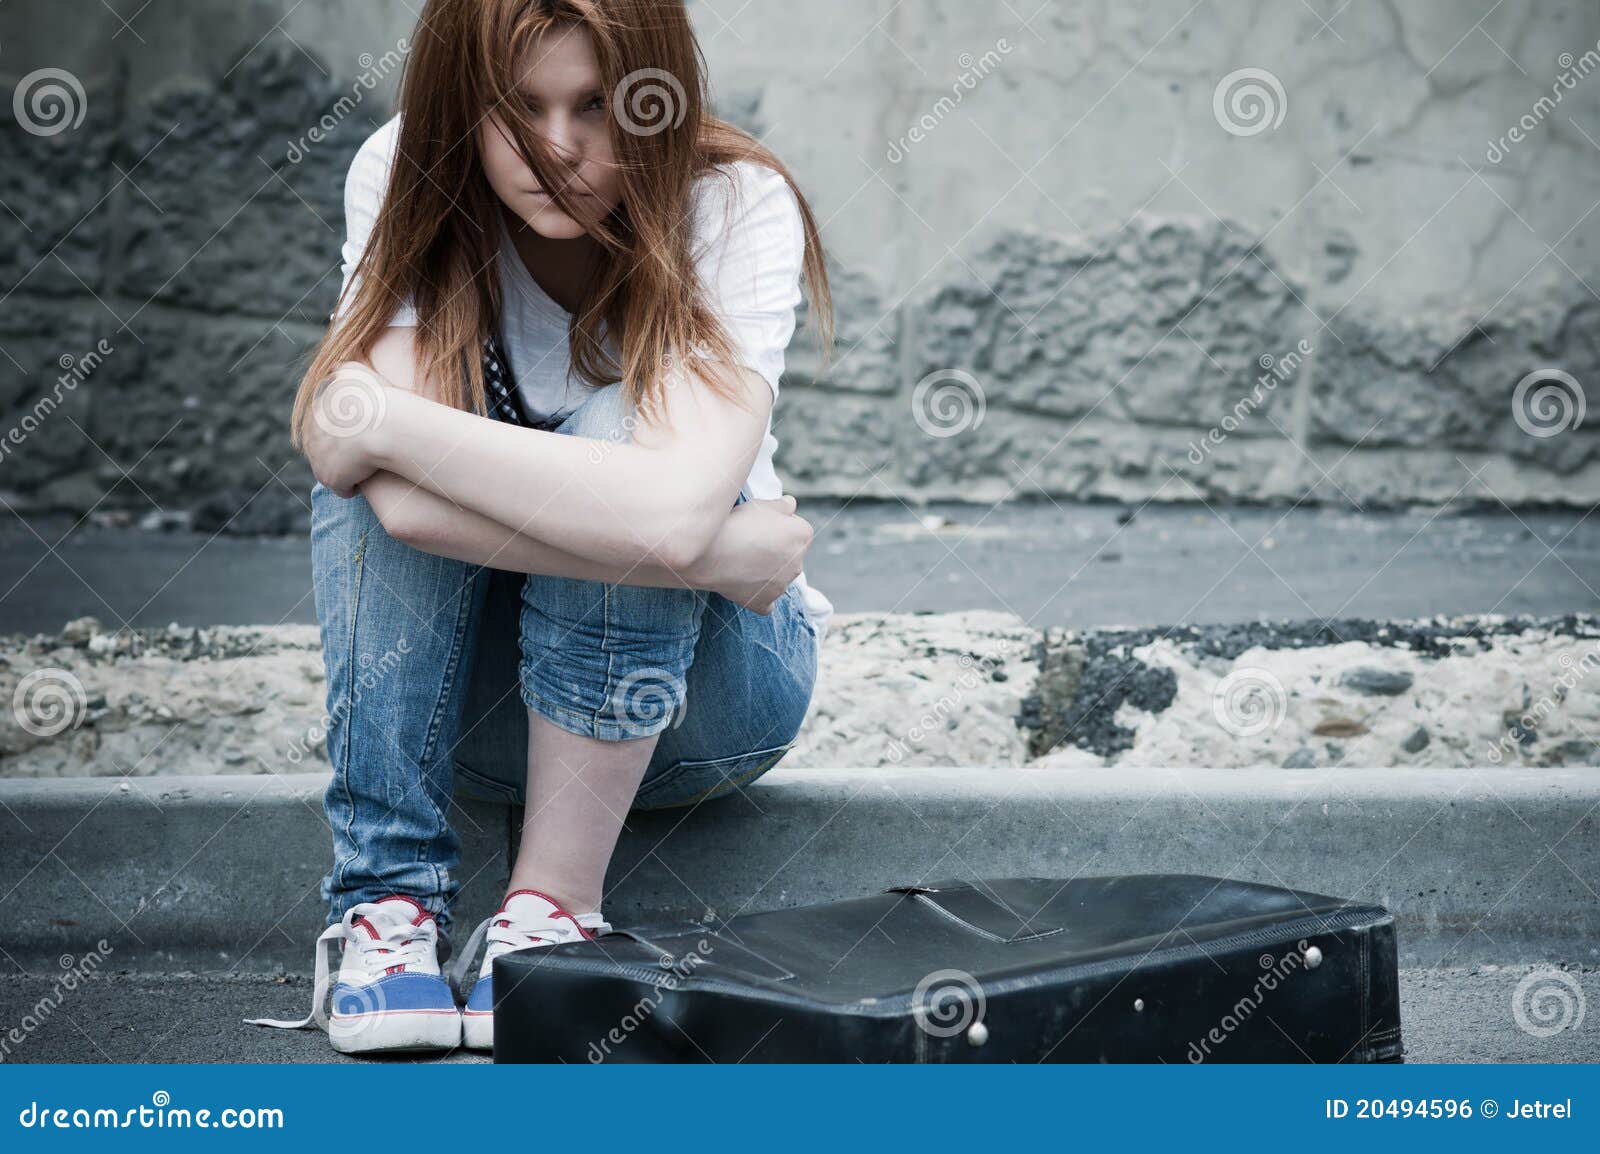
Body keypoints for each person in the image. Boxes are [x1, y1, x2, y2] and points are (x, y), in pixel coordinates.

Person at [244, 0, 833, 1055]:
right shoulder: (404, 171)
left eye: (597, 106)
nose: (557, 148)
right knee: (381, 483)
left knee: (612, 425)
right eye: (519, 110)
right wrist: (708, 546)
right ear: (461, 106)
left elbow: (668, 505)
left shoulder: (732, 201)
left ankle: (555, 908)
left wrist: (377, 416)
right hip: (473, 716)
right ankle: (388, 905)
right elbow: (396, 504)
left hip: (707, 699)